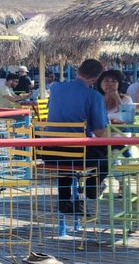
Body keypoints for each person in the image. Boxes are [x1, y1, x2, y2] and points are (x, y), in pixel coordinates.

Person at [44, 58, 109, 214]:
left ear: (78, 71)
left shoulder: (55, 88)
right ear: (94, 79)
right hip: (75, 155)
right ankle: (92, 187)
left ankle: (65, 201)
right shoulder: (93, 96)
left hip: (49, 153)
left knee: (66, 156)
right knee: (105, 157)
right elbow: (101, 133)